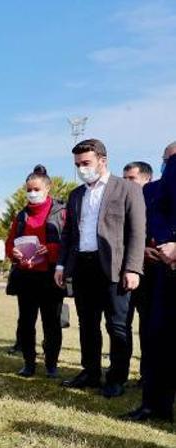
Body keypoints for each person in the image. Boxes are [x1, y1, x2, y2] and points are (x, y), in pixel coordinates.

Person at [55, 139, 145, 398]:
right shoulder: (76, 195)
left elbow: (137, 232)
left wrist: (132, 268)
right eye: (78, 165)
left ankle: (117, 377)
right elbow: (69, 234)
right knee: (87, 324)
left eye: (86, 163)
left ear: (102, 160)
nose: (82, 168)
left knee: (117, 325)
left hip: (115, 268)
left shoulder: (127, 189)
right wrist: (61, 264)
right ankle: (90, 372)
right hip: (82, 266)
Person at [124, 142, 176, 422]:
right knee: (156, 337)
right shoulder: (153, 191)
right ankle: (155, 405)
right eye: (168, 161)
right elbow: (143, 223)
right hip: (161, 273)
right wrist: (146, 248)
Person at [4, 165, 66, 378]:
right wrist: (13, 252)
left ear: (48, 189)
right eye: (28, 189)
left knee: (52, 323)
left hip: (50, 276)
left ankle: (51, 364)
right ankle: (28, 363)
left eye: (36, 189)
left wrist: (50, 249)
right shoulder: (21, 215)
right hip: (26, 277)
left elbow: (69, 242)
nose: (32, 193)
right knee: (26, 322)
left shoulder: (61, 212)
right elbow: (10, 242)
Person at [121, 161, 155, 386]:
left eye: (131, 179)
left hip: (152, 274)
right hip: (123, 274)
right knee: (121, 324)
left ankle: (148, 374)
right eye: (124, 179)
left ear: (146, 179)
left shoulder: (157, 203)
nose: (127, 184)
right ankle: (119, 373)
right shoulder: (121, 205)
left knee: (150, 326)